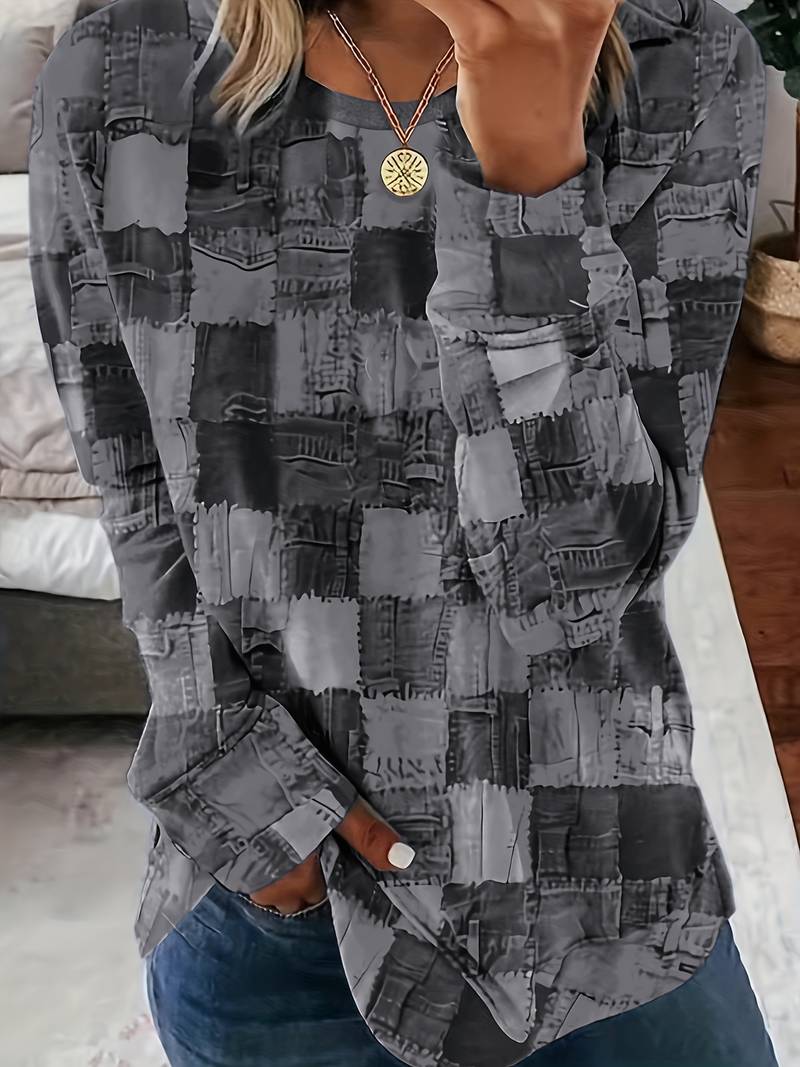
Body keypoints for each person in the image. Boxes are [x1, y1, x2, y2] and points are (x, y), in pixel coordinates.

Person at [27, 0, 777, 1064]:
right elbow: (138, 486)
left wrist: (527, 188)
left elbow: (572, 586)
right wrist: (249, 794)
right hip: (285, 910)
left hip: (598, 891)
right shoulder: (124, 71)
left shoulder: (677, 62)